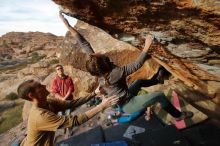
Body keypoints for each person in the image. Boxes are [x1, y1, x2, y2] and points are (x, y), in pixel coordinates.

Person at [59, 12, 193, 122]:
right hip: (129, 104)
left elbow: (84, 43)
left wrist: (67, 25)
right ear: (101, 62)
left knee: (139, 82)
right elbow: (136, 65)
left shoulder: (98, 68)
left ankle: (158, 79)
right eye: (97, 54)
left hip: (124, 96)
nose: (96, 52)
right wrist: (147, 45)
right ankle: (178, 116)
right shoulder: (114, 73)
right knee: (159, 95)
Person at [17, 80, 118, 146]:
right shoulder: (40, 116)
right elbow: (75, 121)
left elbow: (71, 104)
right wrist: (101, 106)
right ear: (31, 95)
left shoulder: (48, 101)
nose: (43, 85)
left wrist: (94, 94)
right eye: (39, 86)